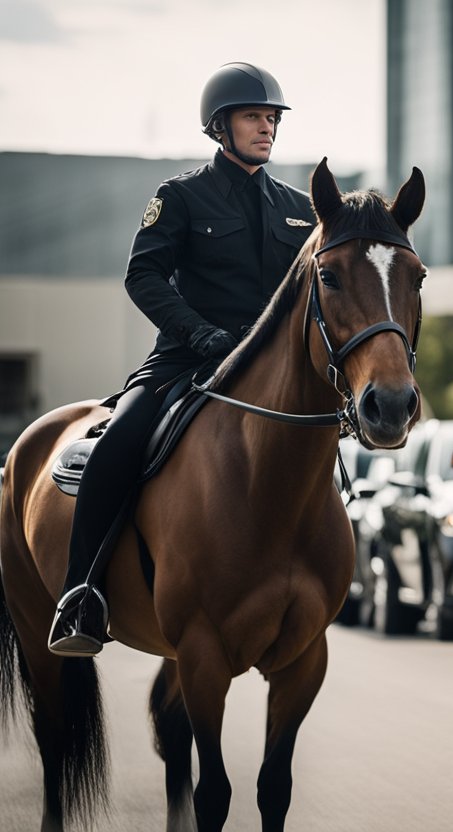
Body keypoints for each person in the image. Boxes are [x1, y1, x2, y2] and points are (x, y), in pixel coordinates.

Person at [48, 62, 317, 656]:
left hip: (270, 373)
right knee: (118, 443)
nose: (266, 128)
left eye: (272, 118)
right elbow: (142, 275)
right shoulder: (181, 196)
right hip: (185, 363)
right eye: (253, 117)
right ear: (220, 126)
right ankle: (81, 594)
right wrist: (199, 335)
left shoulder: (301, 210)